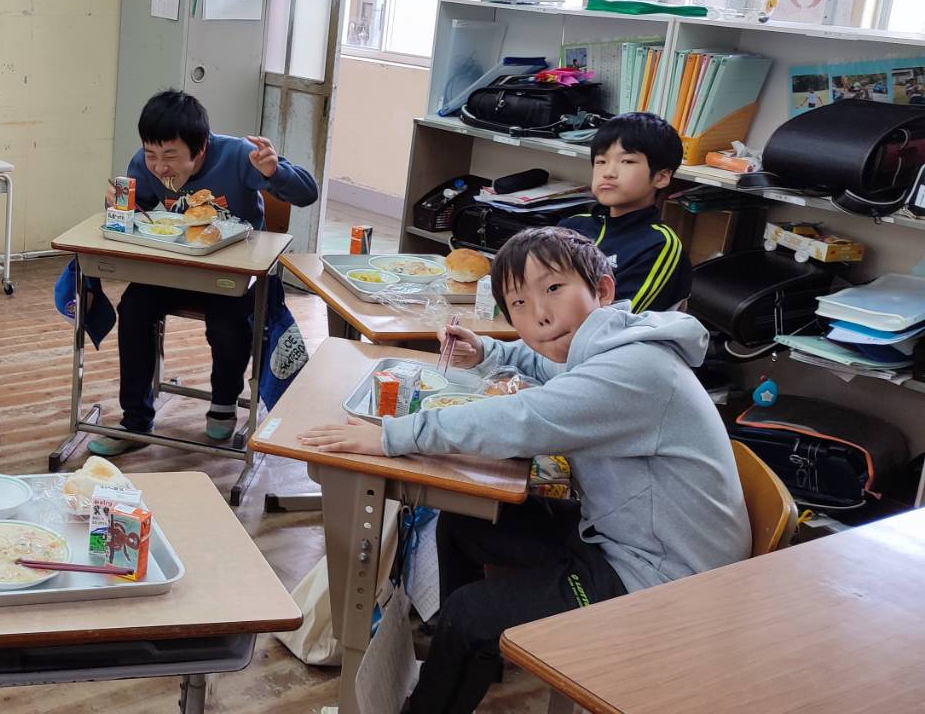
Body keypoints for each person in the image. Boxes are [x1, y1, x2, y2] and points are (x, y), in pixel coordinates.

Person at [299, 227, 749, 714]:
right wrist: (488, 352)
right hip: (626, 539)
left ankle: (463, 651)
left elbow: (521, 418)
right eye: (518, 303)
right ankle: (470, 659)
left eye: (553, 288)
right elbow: (552, 369)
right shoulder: (611, 346)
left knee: (469, 614)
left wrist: (392, 436)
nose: (540, 315)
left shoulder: (635, 371)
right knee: (464, 523)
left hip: (664, 582)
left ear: (602, 289)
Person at [89, 90, 318, 456]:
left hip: (234, 274)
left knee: (227, 323)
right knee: (133, 309)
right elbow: (135, 214)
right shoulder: (143, 166)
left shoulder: (240, 156)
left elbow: (308, 193)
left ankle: (224, 403)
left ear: (200, 148)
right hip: (177, 269)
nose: (159, 166)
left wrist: (275, 172)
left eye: (170, 155)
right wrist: (118, 206)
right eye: (151, 154)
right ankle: (135, 420)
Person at [559, 112, 690, 313]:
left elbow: (618, 320)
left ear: (661, 177)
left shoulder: (659, 244)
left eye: (627, 161)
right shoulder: (572, 226)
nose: (608, 173)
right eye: (601, 161)